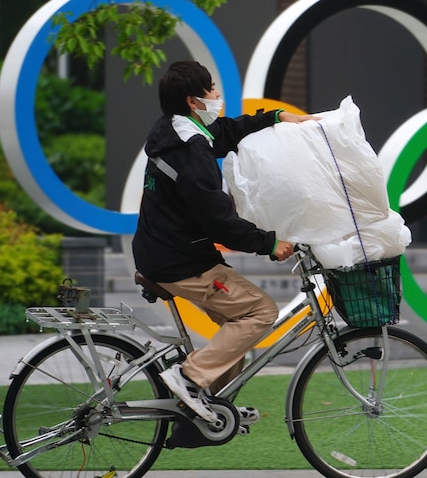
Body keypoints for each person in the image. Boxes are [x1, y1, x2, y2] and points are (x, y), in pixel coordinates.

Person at [132, 60, 316, 424]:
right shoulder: (191, 149)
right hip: (180, 260)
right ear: (193, 100)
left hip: (168, 251)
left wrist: (277, 117)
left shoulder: (177, 130)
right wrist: (268, 243)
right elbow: (217, 220)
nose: (217, 95)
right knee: (260, 311)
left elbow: (228, 131)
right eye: (211, 89)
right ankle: (188, 378)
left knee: (236, 337)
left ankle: (203, 414)